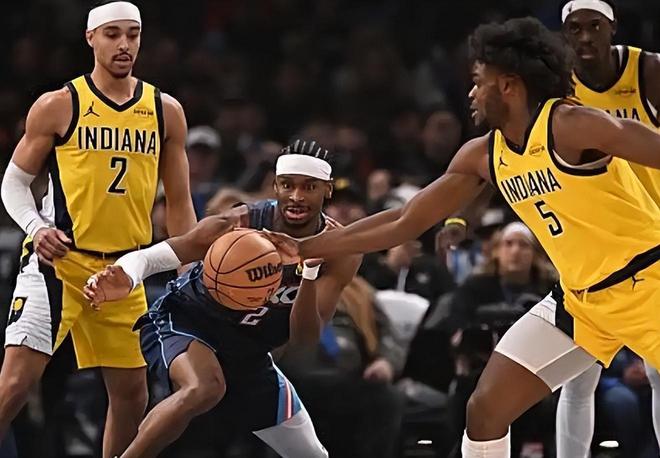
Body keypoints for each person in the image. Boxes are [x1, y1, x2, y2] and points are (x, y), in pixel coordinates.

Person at [264, 17, 660, 458]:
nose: (471, 92)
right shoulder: (482, 154)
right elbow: (405, 220)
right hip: (580, 303)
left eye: (479, 80)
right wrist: (306, 248)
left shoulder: (570, 124)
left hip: (648, 285)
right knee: (485, 410)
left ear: (508, 85)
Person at [0, 2, 196, 457]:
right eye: (112, 34)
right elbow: (13, 183)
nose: (124, 44)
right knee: (14, 385)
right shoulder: (59, 104)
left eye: (133, 34)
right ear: (91, 38)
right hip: (59, 263)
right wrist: (35, 227)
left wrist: (189, 272)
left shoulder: (165, 111)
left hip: (124, 272)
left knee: (132, 397)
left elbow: (180, 204)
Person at [84, 140, 361, 458]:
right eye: (287, 185)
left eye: (309, 187)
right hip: (188, 320)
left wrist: (308, 273)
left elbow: (305, 339)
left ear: (327, 190)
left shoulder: (341, 251)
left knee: (312, 455)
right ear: (275, 186)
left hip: (248, 351)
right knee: (204, 387)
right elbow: (158, 255)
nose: (296, 196)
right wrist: (127, 274)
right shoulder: (239, 224)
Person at [558, 1, 660, 455]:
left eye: (594, 27)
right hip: (594, 239)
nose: (585, 37)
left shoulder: (649, 71)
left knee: (657, 369)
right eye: (575, 28)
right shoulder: (558, 85)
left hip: (653, 238)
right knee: (578, 372)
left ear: (613, 28)